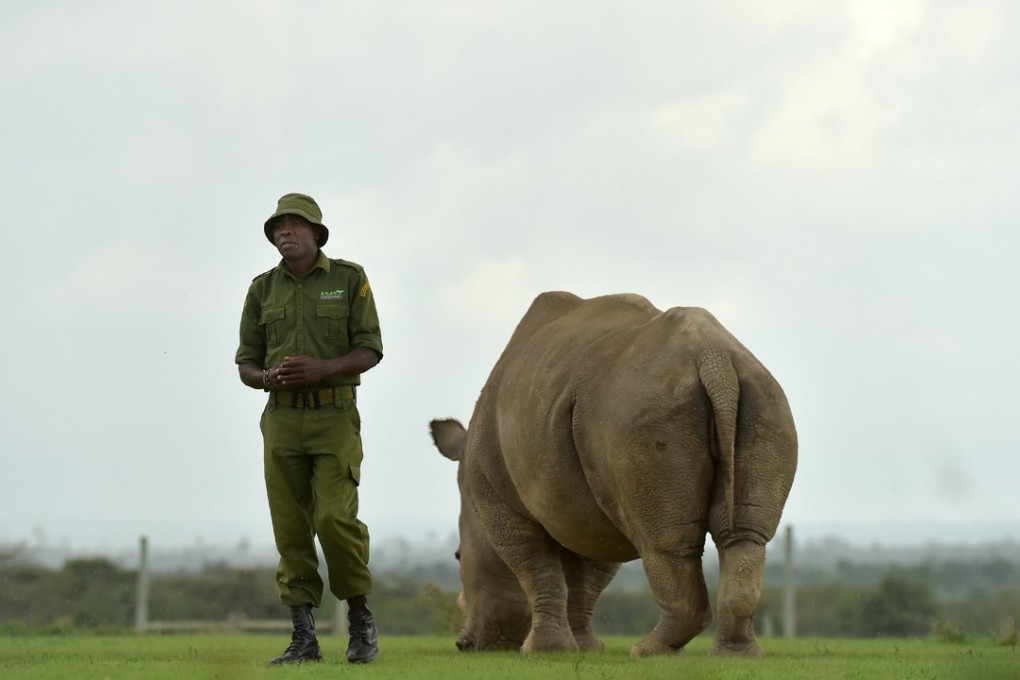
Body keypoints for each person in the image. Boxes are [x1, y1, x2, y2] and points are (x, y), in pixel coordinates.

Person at [235, 193, 383, 665]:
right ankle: (304, 639)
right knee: (291, 529)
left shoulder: (349, 279)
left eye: (295, 225)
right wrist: (266, 378)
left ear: (317, 233)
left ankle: (360, 619)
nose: (285, 232)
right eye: (279, 226)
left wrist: (323, 369)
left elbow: (371, 349)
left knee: (333, 520)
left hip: (334, 416)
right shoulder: (262, 289)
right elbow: (246, 364)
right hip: (280, 420)